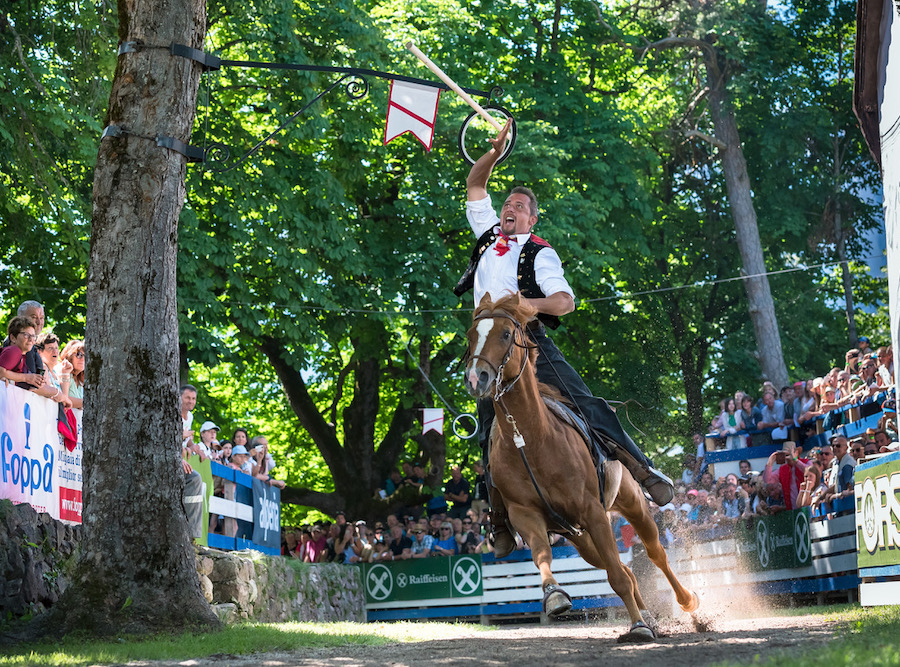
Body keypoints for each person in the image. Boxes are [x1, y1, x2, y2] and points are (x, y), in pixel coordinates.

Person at [458, 121, 674, 555]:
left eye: (519, 206)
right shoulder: (486, 237)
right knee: (486, 430)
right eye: (508, 204)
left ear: (532, 218)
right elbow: (474, 182)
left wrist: (531, 306)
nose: (509, 208)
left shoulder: (540, 252)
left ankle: (643, 469)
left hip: (529, 341)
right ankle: (500, 521)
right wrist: (495, 153)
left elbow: (565, 302)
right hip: (488, 343)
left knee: (587, 403)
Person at [1, 301, 46, 387]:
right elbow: (1, 371)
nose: (39, 322)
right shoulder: (14, 350)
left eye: (42, 317)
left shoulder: (23, 353)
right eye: (34, 317)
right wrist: (26, 378)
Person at [34, 332, 73, 408]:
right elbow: (51, 395)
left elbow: (64, 402)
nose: (55, 351)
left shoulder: (55, 373)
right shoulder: (43, 368)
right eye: (50, 348)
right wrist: (64, 399)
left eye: (56, 348)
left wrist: (65, 373)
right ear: (39, 351)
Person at [58, 340, 85, 409]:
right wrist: (89, 403)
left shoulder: (80, 379)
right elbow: (63, 398)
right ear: (69, 356)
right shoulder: (61, 371)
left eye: (85, 355)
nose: (83, 359)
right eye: (78, 355)